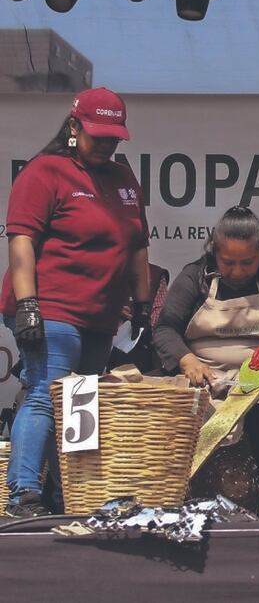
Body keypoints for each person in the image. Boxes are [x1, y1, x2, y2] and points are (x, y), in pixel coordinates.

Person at [1, 88, 149, 518]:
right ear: (73, 127)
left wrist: (142, 306)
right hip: (51, 309)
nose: (105, 144)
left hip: (99, 317)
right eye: (96, 135)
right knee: (46, 395)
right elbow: (21, 241)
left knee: (80, 403)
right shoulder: (46, 172)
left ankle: (68, 496)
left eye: (112, 137)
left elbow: (138, 247)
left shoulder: (123, 180)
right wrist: (28, 305)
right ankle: (23, 494)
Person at [153, 206, 259, 519]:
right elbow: (165, 329)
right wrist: (186, 361)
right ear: (214, 252)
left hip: (257, 383)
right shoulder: (194, 277)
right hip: (201, 379)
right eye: (228, 262)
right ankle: (179, 500)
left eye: (247, 263)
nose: (238, 272)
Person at [109, 262, 170, 373]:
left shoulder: (155, 274)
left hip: (138, 349)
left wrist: (142, 319)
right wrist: (110, 310)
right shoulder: (102, 269)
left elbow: (159, 318)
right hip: (97, 342)